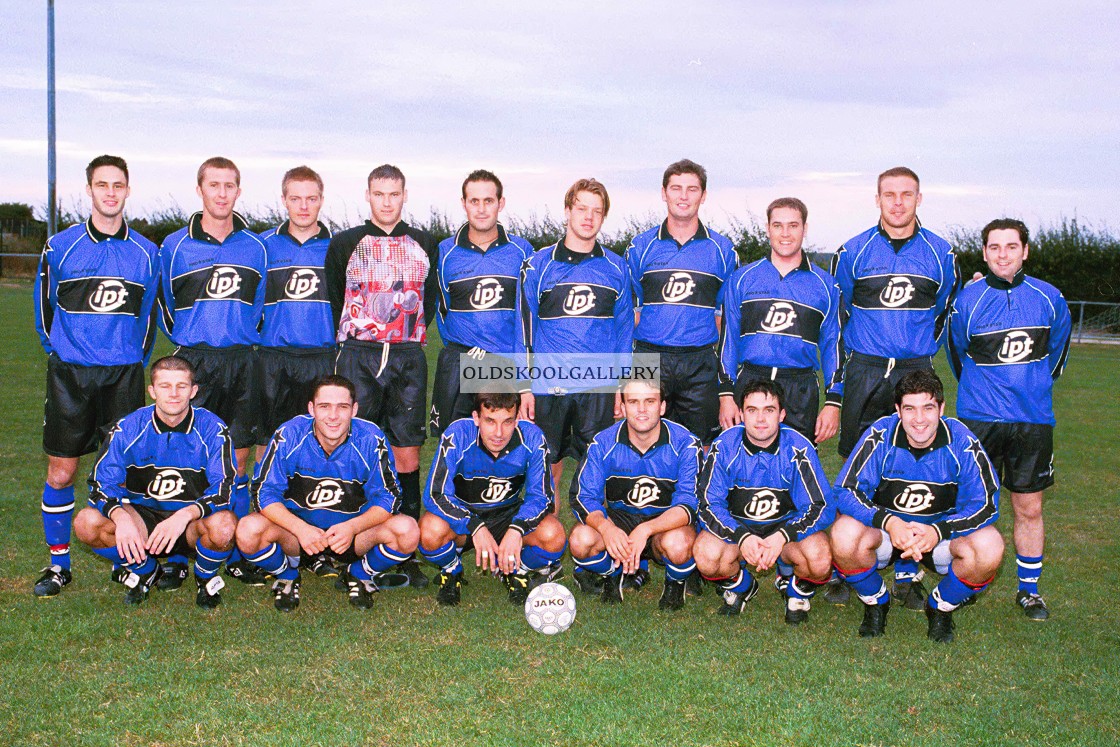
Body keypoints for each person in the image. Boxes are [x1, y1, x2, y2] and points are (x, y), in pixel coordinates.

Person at [32, 154, 160, 597]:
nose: (110, 192)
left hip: (123, 377)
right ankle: (58, 565)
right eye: (102, 184)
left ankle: (129, 556)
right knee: (62, 471)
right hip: (71, 375)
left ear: (128, 190)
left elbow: (148, 321)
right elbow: (44, 314)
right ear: (89, 189)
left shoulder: (147, 252)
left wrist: (127, 358)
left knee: (125, 472)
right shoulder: (60, 246)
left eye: (118, 185)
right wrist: (68, 353)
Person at [830, 167, 958, 606]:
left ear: (920, 198)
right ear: (877, 199)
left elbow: (943, 315)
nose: (898, 203)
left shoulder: (941, 253)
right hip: (864, 367)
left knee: (912, 462)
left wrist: (915, 352)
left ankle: (907, 570)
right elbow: (840, 314)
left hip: (914, 368)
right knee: (856, 467)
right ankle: (849, 563)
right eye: (890, 195)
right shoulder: (853, 250)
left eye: (906, 194)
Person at [948, 218, 1071, 621]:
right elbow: (958, 356)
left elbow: (1054, 360)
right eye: (995, 247)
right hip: (979, 420)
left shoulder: (1050, 299)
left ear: (1025, 251)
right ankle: (965, 579)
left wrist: (1024, 389)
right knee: (971, 504)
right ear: (984, 252)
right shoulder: (968, 302)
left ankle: (1029, 591)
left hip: (1032, 420)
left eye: (1011, 246)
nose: (1003, 254)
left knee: (1029, 507)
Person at [325, 164, 438, 588]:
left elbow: (426, 301)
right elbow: (337, 296)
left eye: (394, 194)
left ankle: (403, 551)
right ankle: (347, 548)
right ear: (367, 195)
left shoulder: (426, 243)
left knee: (406, 450)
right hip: (358, 353)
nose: (386, 202)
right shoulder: (344, 243)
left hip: (407, 354)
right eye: (379, 194)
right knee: (356, 447)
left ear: (404, 195)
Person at [829, 370, 1004, 643]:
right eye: (910, 408)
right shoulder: (881, 434)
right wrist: (889, 522)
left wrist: (938, 530)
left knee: (990, 545)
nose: (919, 419)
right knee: (843, 534)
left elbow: (987, 503)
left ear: (941, 409)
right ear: (898, 410)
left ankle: (940, 606)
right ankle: (876, 603)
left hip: (939, 538)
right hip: (888, 535)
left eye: (928, 408)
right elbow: (845, 490)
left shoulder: (962, 441)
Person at [157, 156, 268, 585]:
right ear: (200, 189)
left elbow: (259, 308)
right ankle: (180, 555)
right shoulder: (174, 246)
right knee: (191, 458)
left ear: (239, 192)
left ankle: (239, 550)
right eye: (213, 185)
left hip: (242, 359)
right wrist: (190, 340)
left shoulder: (255, 247)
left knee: (239, 458)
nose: (221, 193)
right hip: (194, 359)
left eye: (229, 186)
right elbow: (164, 306)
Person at [237, 375, 420, 612]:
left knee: (407, 530)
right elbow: (263, 492)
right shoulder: (289, 435)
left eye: (342, 407)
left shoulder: (371, 439)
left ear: (354, 410)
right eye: (324, 406)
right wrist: (300, 528)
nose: (333, 416)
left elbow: (390, 497)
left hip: (350, 537)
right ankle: (288, 575)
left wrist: (353, 527)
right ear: (311, 408)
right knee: (247, 530)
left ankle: (358, 573)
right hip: (298, 537)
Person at [72, 356, 238, 608]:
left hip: (191, 520)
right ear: (151, 391)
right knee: (86, 523)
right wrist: (121, 516)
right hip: (143, 517)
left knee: (224, 526)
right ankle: (147, 571)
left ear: (193, 391)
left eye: (181, 386)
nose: (173, 394)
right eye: (164, 386)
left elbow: (225, 488)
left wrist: (184, 516)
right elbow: (100, 484)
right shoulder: (128, 428)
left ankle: (204, 579)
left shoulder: (212, 429)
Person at [517, 178, 634, 493]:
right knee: (546, 474)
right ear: (567, 211)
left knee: (597, 477)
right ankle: (548, 540)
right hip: (548, 385)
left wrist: (622, 387)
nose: (588, 217)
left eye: (597, 211)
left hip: (598, 388)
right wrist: (523, 387)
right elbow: (524, 330)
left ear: (603, 216)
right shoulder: (538, 265)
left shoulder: (617, 269)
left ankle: (592, 542)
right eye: (581, 208)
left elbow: (624, 335)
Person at [694, 380, 833, 624]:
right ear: (741, 414)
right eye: (752, 410)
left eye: (769, 410)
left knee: (819, 557)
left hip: (785, 535)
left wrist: (783, 536)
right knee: (706, 554)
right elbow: (707, 504)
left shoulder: (799, 447)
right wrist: (741, 536)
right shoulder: (724, 446)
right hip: (739, 532)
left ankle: (795, 591)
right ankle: (742, 585)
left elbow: (819, 506)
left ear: (781, 415)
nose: (760, 419)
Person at [625, 159, 738, 445]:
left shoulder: (723, 250)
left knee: (700, 444)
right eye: (676, 188)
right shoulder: (640, 247)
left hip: (699, 361)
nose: (683, 196)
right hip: (649, 358)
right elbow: (631, 314)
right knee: (646, 441)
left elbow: (726, 318)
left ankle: (697, 492)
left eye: (692, 189)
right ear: (664, 193)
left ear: (704, 195)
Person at [420, 390, 566, 606]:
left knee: (554, 535)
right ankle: (452, 570)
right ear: (476, 418)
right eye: (490, 421)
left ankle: (515, 570)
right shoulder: (458, 434)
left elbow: (541, 496)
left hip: (508, 517)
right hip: (465, 521)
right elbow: (436, 493)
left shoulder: (532, 438)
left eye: (507, 422)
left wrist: (517, 529)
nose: (499, 433)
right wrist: (475, 526)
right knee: (429, 530)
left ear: (517, 420)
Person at [718, 197, 841, 444]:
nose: (785, 233)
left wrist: (833, 402)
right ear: (768, 228)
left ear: (805, 229)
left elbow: (833, 346)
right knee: (744, 467)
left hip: (800, 387)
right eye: (778, 225)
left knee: (796, 468)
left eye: (793, 225)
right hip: (750, 382)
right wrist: (725, 395)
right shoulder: (742, 279)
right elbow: (727, 341)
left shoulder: (826, 286)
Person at [569, 379, 700, 610]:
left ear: (662, 406)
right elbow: (582, 497)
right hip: (621, 520)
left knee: (679, 544)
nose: (641, 409)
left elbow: (689, 504)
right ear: (622, 406)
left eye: (649, 401)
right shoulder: (602, 443)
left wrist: (646, 529)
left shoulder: (686, 444)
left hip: (665, 525)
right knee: (581, 540)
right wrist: (607, 529)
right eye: (633, 401)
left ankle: (675, 583)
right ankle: (615, 572)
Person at [430, 170, 534, 436]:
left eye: (488, 201)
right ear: (463, 203)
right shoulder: (444, 252)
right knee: (454, 445)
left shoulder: (523, 252)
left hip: (505, 365)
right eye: (474, 201)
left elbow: (529, 318)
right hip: (461, 363)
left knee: (504, 447)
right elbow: (442, 310)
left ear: (501, 203)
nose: (481, 209)